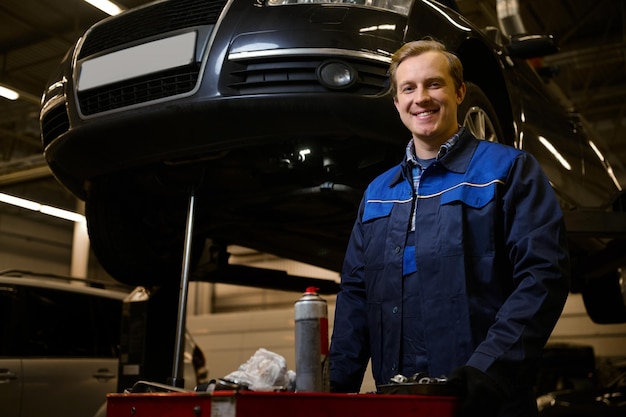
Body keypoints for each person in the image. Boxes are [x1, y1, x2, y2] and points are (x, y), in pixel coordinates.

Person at [328, 39, 570, 417]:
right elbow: (356, 296)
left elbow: (543, 278)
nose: (421, 97)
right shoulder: (377, 193)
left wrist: (487, 371)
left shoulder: (509, 171)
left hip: (486, 404)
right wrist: (334, 389)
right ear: (397, 103)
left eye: (434, 84)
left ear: (459, 92)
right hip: (397, 404)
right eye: (408, 88)